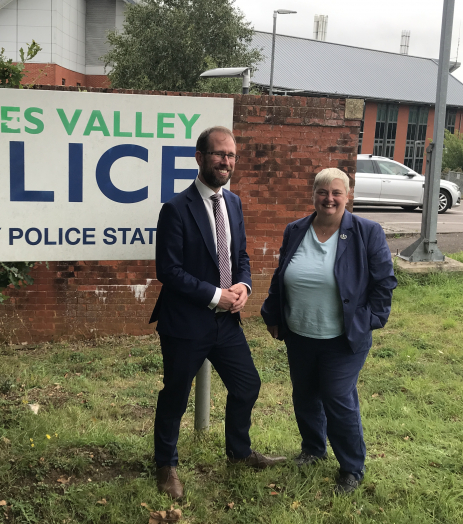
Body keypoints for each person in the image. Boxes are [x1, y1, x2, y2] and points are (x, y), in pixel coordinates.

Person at [149, 126, 286, 500]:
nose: (225, 162)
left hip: (226, 323)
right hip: (186, 323)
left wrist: (243, 286)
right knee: (175, 394)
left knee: (247, 385)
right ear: (200, 157)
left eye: (230, 156)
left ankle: (239, 453)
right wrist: (216, 295)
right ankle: (166, 464)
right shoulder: (176, 208)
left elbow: (239, 255)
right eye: (218, 154)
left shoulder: (235, 204)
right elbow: (169, 271)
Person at [260, 167, 397, 495]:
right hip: (300, 332)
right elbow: (282, 275)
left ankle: (352, 467)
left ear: (347, 196)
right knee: (305, 394)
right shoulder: (296, 229)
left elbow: (384, 283)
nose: (329, 198)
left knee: (337, 397)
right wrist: (272, 313)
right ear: (314, 195)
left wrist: (367, 320)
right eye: (323, 192)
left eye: (337, 192)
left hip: (344, 337)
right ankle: (313, 448)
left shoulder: (367, 232)